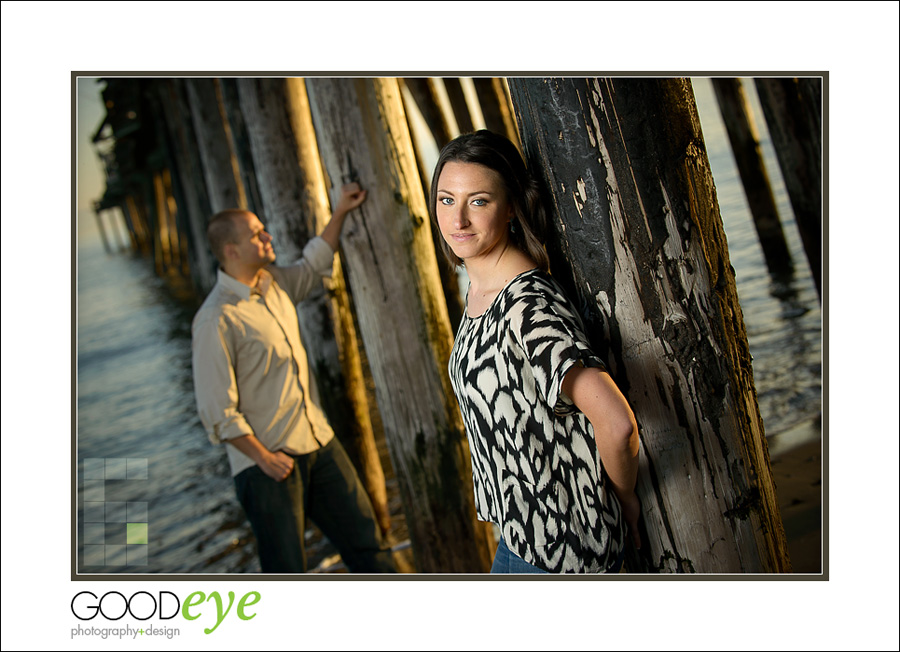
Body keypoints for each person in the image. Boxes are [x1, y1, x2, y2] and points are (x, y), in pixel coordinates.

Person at [429, 130, 641, 574]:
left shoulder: (528, 304)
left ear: (511, 208)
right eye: (447, 200)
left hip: (566, 545)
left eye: (479, 201)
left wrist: (624, 504)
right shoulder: (482, 290)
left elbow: (617, 424)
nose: (458, 220)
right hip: (523, 534)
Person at [191, 183, 395, 573]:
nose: (268, 236)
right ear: (231, 250)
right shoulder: (216, 318)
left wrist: (339, 213)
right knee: (286, 570)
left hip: (317, 440)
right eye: (256, 234)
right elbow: (217, 410)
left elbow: (314, 263)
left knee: (370, 547)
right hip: (268, 464)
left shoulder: (275, 284)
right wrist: (263, 458)